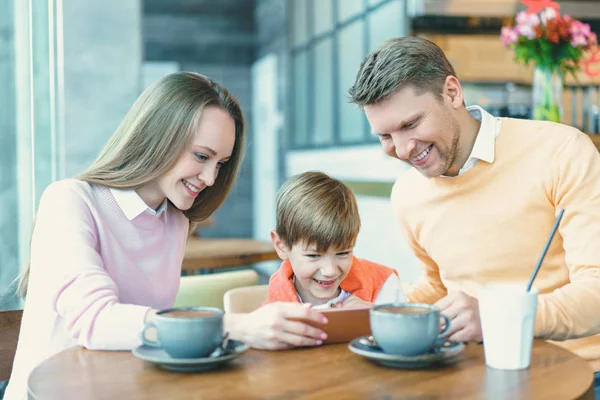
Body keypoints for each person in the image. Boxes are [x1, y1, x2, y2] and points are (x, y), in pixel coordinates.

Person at [5, 72, 326, 400]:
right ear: (157, 136)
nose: (211, 178)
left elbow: (147, 340)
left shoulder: (176, 223)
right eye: (202, 156)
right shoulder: (69, 199)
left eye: (221, 163)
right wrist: (236, 326)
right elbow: (96, 321)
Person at [348, 36, 600, 375]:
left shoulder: (561, 151)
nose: (403, 149)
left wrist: (498, 316)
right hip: (471, 371)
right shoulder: (407, 193)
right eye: (385, 136)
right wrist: (373, 307)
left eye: (410, 124)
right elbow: (439, 285)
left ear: (452, 93)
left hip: (580, 373)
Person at [264, 171, 404, 310]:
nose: (329, 271)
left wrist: (377, 319)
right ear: (281, 246)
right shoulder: (272, 314)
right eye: (313, 255)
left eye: (342, 253)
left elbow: (408, 330)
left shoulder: (384, 286)